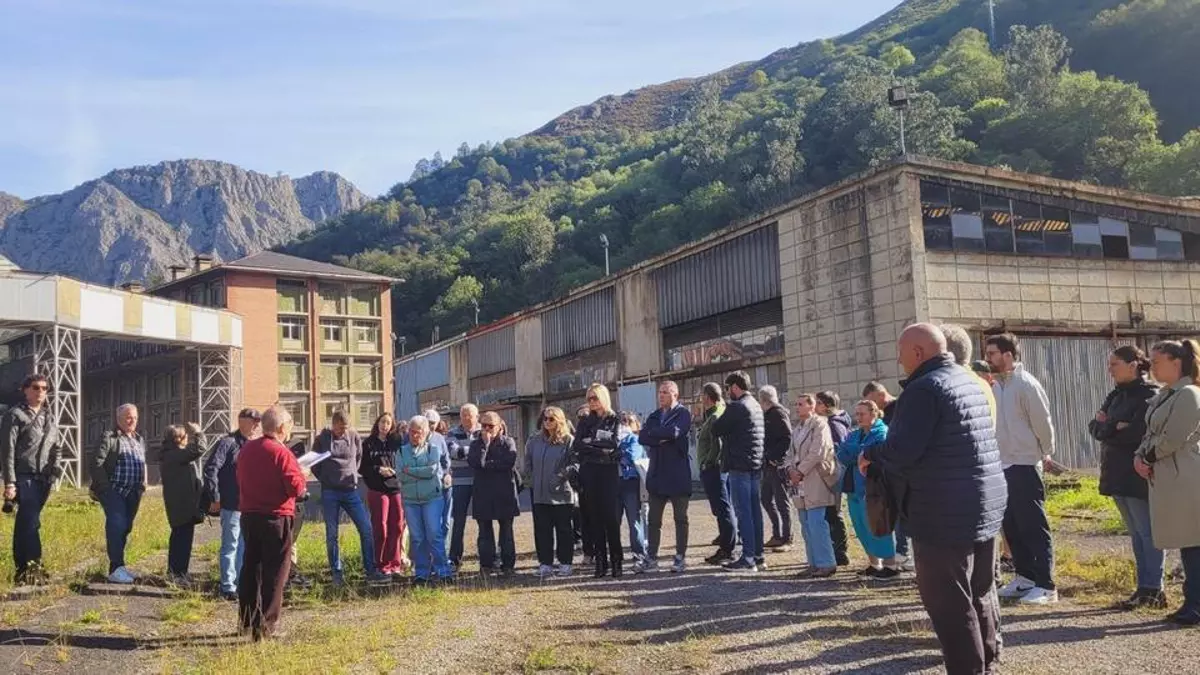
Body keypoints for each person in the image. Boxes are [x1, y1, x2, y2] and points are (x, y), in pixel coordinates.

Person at [862, 324, 1007, 675]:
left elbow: (903, 450)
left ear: (918, 353)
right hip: (984, 500)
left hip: (943, 509)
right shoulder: (967, 379)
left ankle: (968, 669)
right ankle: (988, 659)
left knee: (948, 602)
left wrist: (872, 455)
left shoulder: (924, 388)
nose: (897, 358)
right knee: (981, 590)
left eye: (900, 350)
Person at [985, 333, 1059, 605]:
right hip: (1002, 463)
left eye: (992, 353)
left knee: (1032, 525)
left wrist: (1045, 452)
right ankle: (1025, 577)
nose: (988, 358)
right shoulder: (995, 386)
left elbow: (1043, 422)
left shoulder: (1026, 384)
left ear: (1008, 355)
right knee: (1012, 525)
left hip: (1025, 463)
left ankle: (1046, 584)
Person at [1089, 346, 1162, 609]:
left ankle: (1154, 588)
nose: (1110, 370)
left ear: (1133, 365)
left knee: (1147, 532)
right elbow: (1094, 427)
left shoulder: (1148, 395)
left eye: (1115, 364)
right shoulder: (1115, 395)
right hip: (1115, 472)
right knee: (1135, 533)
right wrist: (1112, 426)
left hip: (1136, 473)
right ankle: (1142, 587)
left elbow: (1136, 434)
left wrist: (1109, 427)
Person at [1135, 340, 1200, 625]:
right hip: (1170, 476)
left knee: (1193, 541)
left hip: (1186, 477)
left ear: (1177, 362)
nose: (1151, 366)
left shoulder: (1188, 394)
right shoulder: (1167, 394)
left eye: (1157, 360)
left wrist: (1146, 458)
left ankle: (1195, 604)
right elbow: (1151, 432)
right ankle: (1193, 601)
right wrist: (1141, 455)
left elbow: (1174, 437)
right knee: (1187, 542)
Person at [236, 406, 307, 642]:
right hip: (275, 516)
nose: (289, 431)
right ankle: (266, 626)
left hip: (249, 514)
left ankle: (247, 620)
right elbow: (295, 488)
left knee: (251, 567)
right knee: (275, 571)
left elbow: (240, 478)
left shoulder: (247, 449)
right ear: (281, 427)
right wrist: (302, 475)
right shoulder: (281, 452)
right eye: (289, 426)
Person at [1, 374, 62, 586]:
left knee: (26, 523)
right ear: (25, 390)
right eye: (36, 388)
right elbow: (7, 451)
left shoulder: (49, 417)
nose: (41, 392)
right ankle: (32, 567)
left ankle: (25, 569)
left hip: (43, 478)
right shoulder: (15, 415)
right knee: (31, 522)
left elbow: (57, 447)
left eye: (45, 388)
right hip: (24, 477)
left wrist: (55, 471)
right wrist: (9, 482)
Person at [312, 410, 385, 585]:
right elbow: (314, 463)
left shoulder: (354, 437)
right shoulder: (322, 439)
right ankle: (336, 572)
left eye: (345, 428)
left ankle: (370, 569)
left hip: (350, 490)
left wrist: (351, 474)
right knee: (332, 533)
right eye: (339, 429)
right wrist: (325, 478)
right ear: (333, 425)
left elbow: (358, 458)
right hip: (330, 492)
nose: (342, 432)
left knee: (366, 528)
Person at [837, 401, 900, 579]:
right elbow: (842, 453)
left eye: (862, 414)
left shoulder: (882, 431)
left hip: (874, 487)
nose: (858, 417)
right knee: (860, 525)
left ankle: (890, 564)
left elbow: (876, 452)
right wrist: (861, 452)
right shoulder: (856, 434)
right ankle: (874, 563)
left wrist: (858, 452)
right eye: (856, 414)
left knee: (879, 524)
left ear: (873, 413)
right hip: (854, 487)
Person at [202, 408, 260, 600]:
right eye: (253, 421)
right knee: (230, 545)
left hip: (250, 505)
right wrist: (215, 497)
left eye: (258, 421)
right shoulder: (227, 443)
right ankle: (227, 586)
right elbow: (211, 469)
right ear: (241, 421)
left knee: (245, 545)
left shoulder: (254, 445)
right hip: (231, 504)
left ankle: (240, 582)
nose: (256, 425)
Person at [637, 381, 693, 574]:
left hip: (677, 474)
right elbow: (642, 437)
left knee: (680, 518)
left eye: (666, 392)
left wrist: (657, 436)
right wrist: (659, 436)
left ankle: (680, 557)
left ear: (675, 394)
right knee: (653, 519)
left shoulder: (683, 414)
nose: (661, 396)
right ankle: (651, 557)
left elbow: (676, 432)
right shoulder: (654, 415)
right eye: (660, 392)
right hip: (657, 474)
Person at [713, 371, 766, 572]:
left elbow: (716, 428)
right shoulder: (755, 405)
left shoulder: (737, 406)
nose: (727, 393)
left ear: (734, 387)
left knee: (743, 513)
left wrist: (721, 411)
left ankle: (748, 557)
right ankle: (758, 555)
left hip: (739, 465)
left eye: (727, 389)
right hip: (754, 464)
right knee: (754, 512)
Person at [571, 384, 625, 578]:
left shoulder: (614, 419)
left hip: (608, 472)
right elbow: (578, 445)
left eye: (595, 398)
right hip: (589, 472)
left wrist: (591, 444)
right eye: (589, 399)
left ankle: (617, 561)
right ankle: (600, 562)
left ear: (603, 397)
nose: (592, 402)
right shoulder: (585, 421)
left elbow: (613, 445)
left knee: (611, 518)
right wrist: (597, 447)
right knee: (595, 518)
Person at [90, 403, 148, 585]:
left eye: (135, 417)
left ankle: (120, 567)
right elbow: (96, 463)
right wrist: (105, 487)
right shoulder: (109, 437)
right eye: (128, 417)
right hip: (114, 490)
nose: (132, 421)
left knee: (125, 527)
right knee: (116, 524)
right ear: (119, 419)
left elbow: (142, 463)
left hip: (133, 492)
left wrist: (142, 485)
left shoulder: (139, 439)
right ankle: (115, 568)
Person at [785, 393, 837, 578]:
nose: (797, 407)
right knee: (805, 523)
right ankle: (813, 563)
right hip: (799, 482)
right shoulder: (797, 428)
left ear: (811, 406)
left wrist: (800, 471)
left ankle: (826, 562)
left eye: (801, 404)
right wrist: (791, 469)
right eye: (796, 404)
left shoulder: (820, 424)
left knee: (816, 522)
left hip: (815, 478)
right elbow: (791, 453)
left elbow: (818, 452)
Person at [397, 415, 453, 584]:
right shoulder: (400, 451)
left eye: (418, 432)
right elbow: (400, 474)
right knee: (417, 537)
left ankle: (443, 571)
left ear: (426, 432)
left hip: (432, 499)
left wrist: (410, 470)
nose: (415, 436)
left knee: (434, 534)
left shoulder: (433, 450)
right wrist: (416, 471)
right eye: (412, 432)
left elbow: (432, 471)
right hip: (411, 500)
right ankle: (421, 573)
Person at [861, 381, 909, 569]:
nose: (873, 407)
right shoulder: (885, 415)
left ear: (880, 395)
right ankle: (900, 553)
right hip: (888, 470)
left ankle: (903, 553)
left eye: (872, 402)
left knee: (902, 514)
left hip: (901, 469)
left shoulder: (900, 408)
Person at [525, 406, 577, 577]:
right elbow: (528, 461)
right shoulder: (534, 440)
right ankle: (545, 563)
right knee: (542, 530)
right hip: (540, 494)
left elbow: (575, 463)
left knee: (564, 530)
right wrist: (531, 478)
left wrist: (561, 476)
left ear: (559, 420)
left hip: (561, 494)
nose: (547, 422)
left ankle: (565, 563)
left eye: (551, 419)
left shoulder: (568, 440)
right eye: (545, 419)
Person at [469, 411, 520, 576]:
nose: (487, 429)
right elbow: (475, 462)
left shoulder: (508, 442)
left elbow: (508, 463)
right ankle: (486, 564)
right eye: (483, 425)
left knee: (506, 531)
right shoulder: (476, 443)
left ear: (500, 427)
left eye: (490, 426)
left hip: (504, 492)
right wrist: (485, 445)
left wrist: (487, 465)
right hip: (483, 493)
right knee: (484, 532)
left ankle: (508, 565)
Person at [361, 413, 407, 579]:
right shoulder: (368, 444)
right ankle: (381, 564)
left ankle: (395, 564)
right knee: (381, 526)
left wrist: (396, 471)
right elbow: (363, 468)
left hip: (395, 488)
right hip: (377, 488)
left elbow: (403, 460)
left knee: (397, 526)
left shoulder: (396, 442)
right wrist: (378, 470)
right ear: (377, 423)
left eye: (388, 423)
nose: (385, 426)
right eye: (382, 422)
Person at [696, 383, 738, 565]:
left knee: (723, 508)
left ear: (707, 396)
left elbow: (718, 444)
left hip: (714, 469)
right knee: (722, 508)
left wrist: (708, 462)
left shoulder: (715, 415)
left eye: (701, 395)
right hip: (716, 468)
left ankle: (728, 549)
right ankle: (726, 543)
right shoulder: (717, 411)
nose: (700, 398)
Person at [160, 422, 207, 584]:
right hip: (182, 505)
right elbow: (199, 450)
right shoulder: (175, 454)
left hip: (181, 504)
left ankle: (178, 572)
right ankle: (177, 574)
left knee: (181, 538)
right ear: (179, 438)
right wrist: (199, 433)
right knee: (182, 540)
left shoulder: (170, 454)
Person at [816, 391, 852, 567]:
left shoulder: (833, 424)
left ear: (827, 405)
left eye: (819, 403)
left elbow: (837, 448)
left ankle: (840, 552)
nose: (815, 406)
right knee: (831, 512)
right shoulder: (832, 422)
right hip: (831, 472)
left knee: (833, 512)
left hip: (833, 473)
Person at [445, 404, 481, 571]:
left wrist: (466, 451)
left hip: (480, 481)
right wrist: (475, 450)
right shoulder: (452, 433)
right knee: (458, 522)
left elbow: (486, 450)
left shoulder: (483, 431)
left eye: (470, 415)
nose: (466, 418)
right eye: (463, 415)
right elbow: (453, 452)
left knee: (484, 521)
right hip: (459, 482)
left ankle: (486, 558)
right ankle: (454, 559)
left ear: (477, 416)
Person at [759, 385, 795, 553]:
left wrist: (775, 458)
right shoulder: (769, 414)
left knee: (782, 502)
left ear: (764, 400)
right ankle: (777, 534)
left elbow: (787, 437)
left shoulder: (778, 413)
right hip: (768, 464)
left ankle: (788, 538)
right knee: (766, 499)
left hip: (777, 465)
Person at [617, 411, 648, 570]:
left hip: (630, 482)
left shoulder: (634, 439)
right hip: (615, 482)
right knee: (614, 521)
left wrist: (617, 452)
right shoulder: (615, 439)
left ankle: (639, 555)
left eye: (628, 421)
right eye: (622, 421)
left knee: (634, 520)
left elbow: (631, 456)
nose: (624, 424)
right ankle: (616, 556)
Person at [424, 409, 453, 560]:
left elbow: (446, 460)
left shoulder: (439, 438)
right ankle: (431, 557)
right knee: (432, 524)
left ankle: (444, 554)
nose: (430, 426)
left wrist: (448, 473)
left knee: (446, 522)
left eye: (433, 423)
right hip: (427, 486)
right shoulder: (417, 438)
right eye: (428, 423)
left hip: (443, 484)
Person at [573, 404, 594, 566]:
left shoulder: (600, 426)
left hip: (600, 477)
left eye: (585, 415)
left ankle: (601, 551)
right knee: (585, 518)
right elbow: (577, 447)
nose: (583, 419)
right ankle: (588, 552)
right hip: (583, 479)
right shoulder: (578, 432)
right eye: (580, 417)